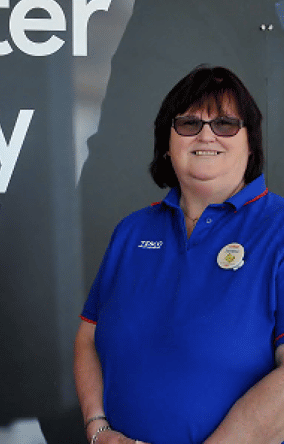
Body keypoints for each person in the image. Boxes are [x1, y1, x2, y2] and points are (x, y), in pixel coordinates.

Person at [74, 65, 284, 444]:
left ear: (251, 142)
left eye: (225, 124)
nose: (206, 134)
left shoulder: (279, 229)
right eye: (188, 124)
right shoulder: (132, 231)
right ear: (167, 145)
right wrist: (98, 428)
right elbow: (87, 339)